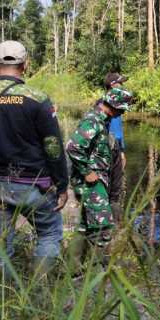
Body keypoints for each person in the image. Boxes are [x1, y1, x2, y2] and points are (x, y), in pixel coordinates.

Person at [0, 41, 68, 282]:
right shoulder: (38, 99)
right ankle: (39, 291)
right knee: (49, 234)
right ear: (26, 65)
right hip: (33, 186)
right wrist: (62, 185)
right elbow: (53, 145)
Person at [65, 87, 133, 263]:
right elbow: (72, 146)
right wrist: (87, 172)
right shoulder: (93, 121)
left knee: (85, 226)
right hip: (91, 184)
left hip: (95, 182)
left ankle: (73, 270)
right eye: (122, 108)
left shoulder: (101, 120)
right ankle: (96, 275)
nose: (123, 112)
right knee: (102, 228)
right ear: (114, 106)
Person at [104, 72, 128, 152]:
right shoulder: (109, 105)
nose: (122, 85)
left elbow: (119, 132)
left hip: (115, 148)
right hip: (111, 151)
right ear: (113, 85)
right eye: (120, 83)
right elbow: (117, 135)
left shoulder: (115, 103)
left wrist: (122, 152)